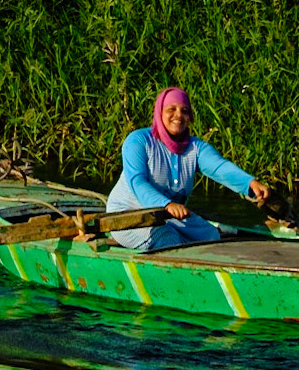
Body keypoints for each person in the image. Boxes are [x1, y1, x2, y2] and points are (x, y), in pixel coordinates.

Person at [106, 86, 269, 251]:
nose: (178, 115)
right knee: (169, 240)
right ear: (159, 112)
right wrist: (167, 204)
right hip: (127, 216)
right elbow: (137, 182)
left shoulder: (196, 148)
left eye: (184, 111)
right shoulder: (138, 141)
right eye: (171, 109)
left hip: (169, 215)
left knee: (210, 236)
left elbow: (220, 167)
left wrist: (250, 183)